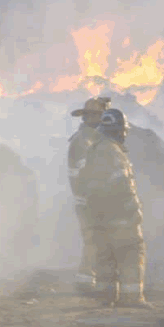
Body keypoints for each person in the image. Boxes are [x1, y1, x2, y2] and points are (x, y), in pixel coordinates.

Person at [77, 108, 148, 307]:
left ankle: (105, 297)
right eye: (123, 130)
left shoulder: (94, 149)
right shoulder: (113, 152)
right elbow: (122, 184)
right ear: (118, 130)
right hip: (121, 214)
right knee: (132, 252)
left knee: (105, 255)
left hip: (99, 215)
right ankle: (132, 298)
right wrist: (135, 210)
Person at [67, 96, 111, 294]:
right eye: (101, 116)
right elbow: (88, 172)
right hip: (89, 200)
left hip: (92, 198)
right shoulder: (85, 139)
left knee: (97, 239)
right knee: (94, 239)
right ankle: (85, 282)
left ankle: (89, 280)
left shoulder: (91, 136)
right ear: (92, 117)